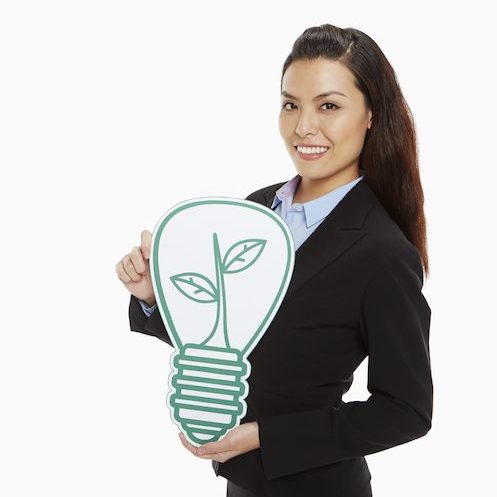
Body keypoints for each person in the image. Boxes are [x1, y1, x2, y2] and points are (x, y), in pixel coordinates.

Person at [116, 23, 433, 497]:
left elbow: (406, 410)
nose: (304, 127)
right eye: (291, 104)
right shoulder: (256, 211)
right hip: (244, 486)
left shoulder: (381, 252)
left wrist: (264, 435)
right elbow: (229, 341)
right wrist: (154, 299)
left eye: (328, 105)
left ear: (371, 115)